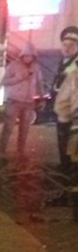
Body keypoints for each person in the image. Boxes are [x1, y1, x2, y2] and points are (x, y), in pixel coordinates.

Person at [0, 43, 43, 157]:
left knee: (24, 129)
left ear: (34, 57)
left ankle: (20, 152)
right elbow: (4, 82)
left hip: (29, 103)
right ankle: (1, 151)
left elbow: (39, 83)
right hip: (14, 101)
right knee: (8, 127)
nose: (29, 58)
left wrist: (41, 98)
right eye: (27, 55)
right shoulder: (13, 65)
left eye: (31, 56)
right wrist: (19, 78)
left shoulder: (36, 67)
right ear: (22, 55)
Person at [53, 26, 78, 180]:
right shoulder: (65, 62)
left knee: (72, 144)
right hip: (63, 111)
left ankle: (70, 173)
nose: (67, 48)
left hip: (71, 113)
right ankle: (65, 167)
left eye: (72, 45)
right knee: (64, 142)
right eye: (65, 44)